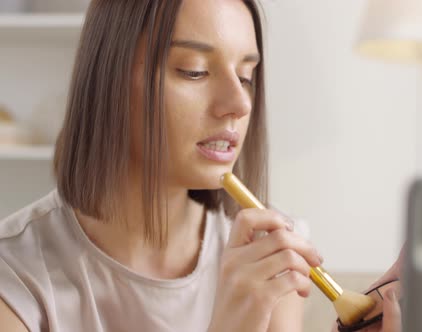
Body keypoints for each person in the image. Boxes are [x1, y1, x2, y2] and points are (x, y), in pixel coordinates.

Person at [0, 1, 401, 331]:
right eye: (194, 70)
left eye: (246, 76)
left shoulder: (268, 259)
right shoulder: (16, 276)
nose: (239, 103)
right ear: (110, 79)